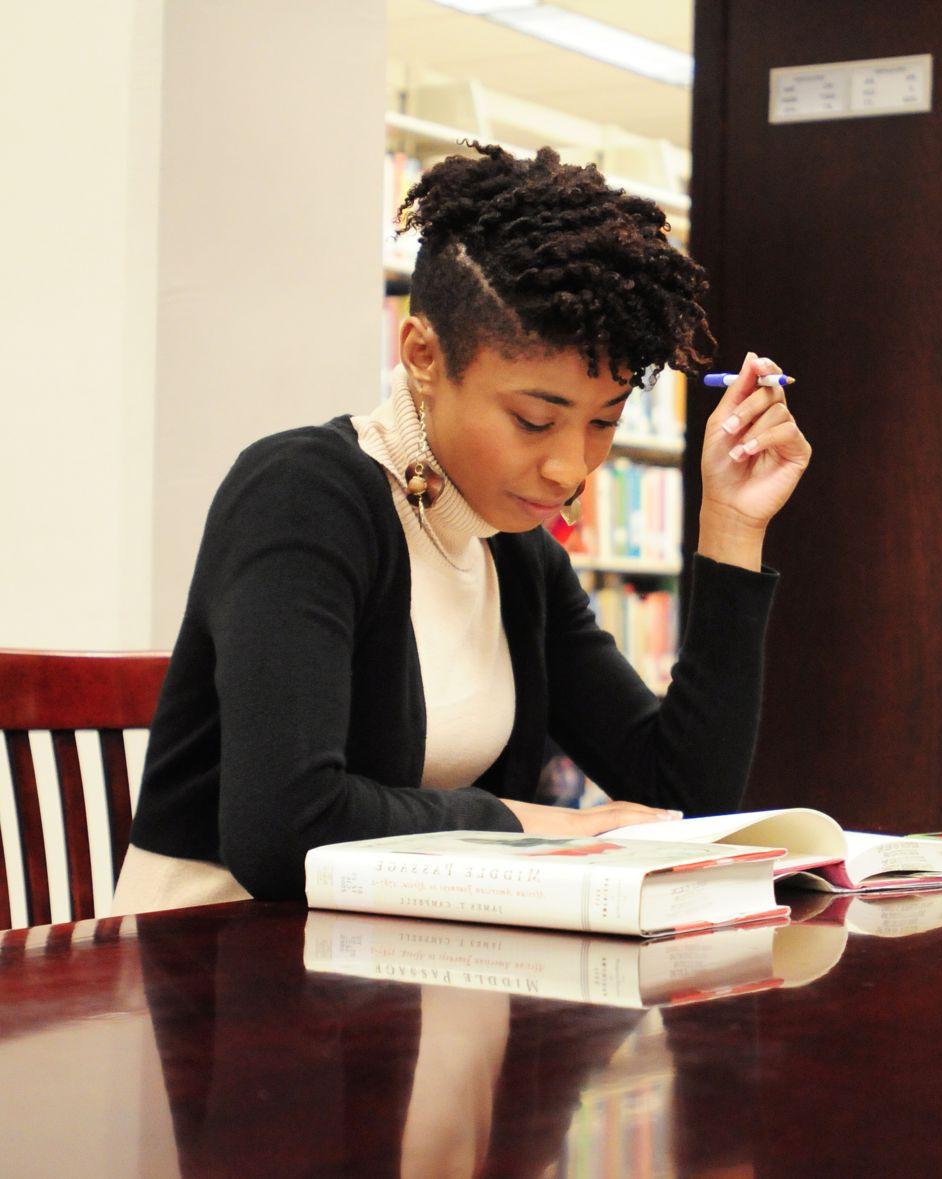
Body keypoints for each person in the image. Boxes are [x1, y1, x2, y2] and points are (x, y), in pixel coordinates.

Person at [111, 143, 811, 912]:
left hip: (402, 973)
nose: (569, 468)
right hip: (219, 976)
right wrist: (532, 826)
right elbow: (284, 829)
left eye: (603, 423)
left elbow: (684, 796)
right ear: (422, 356)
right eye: (534, 419)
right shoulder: (302, 495)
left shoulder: (514, 553)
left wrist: (732, 529)